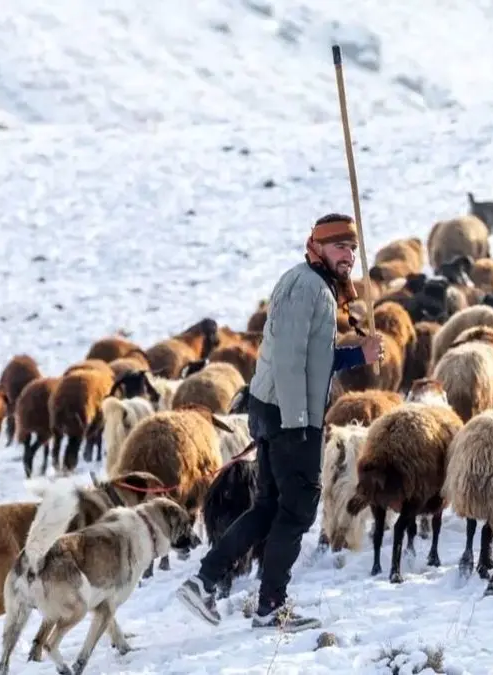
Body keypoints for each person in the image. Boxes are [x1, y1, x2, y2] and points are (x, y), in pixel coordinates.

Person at [176, 213, 383, 632]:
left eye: (352, 249)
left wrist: (358, 355)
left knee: (270, 506)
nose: (348, 256)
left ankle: (208, 581)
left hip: (277, 409)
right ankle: (267, 602)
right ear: (318, 246)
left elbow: (314, 359)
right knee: (298, 507)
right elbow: (290, 361)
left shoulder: (311, 285)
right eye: (340, 247)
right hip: (291, 415)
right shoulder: (310, 288)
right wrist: (300, 422)